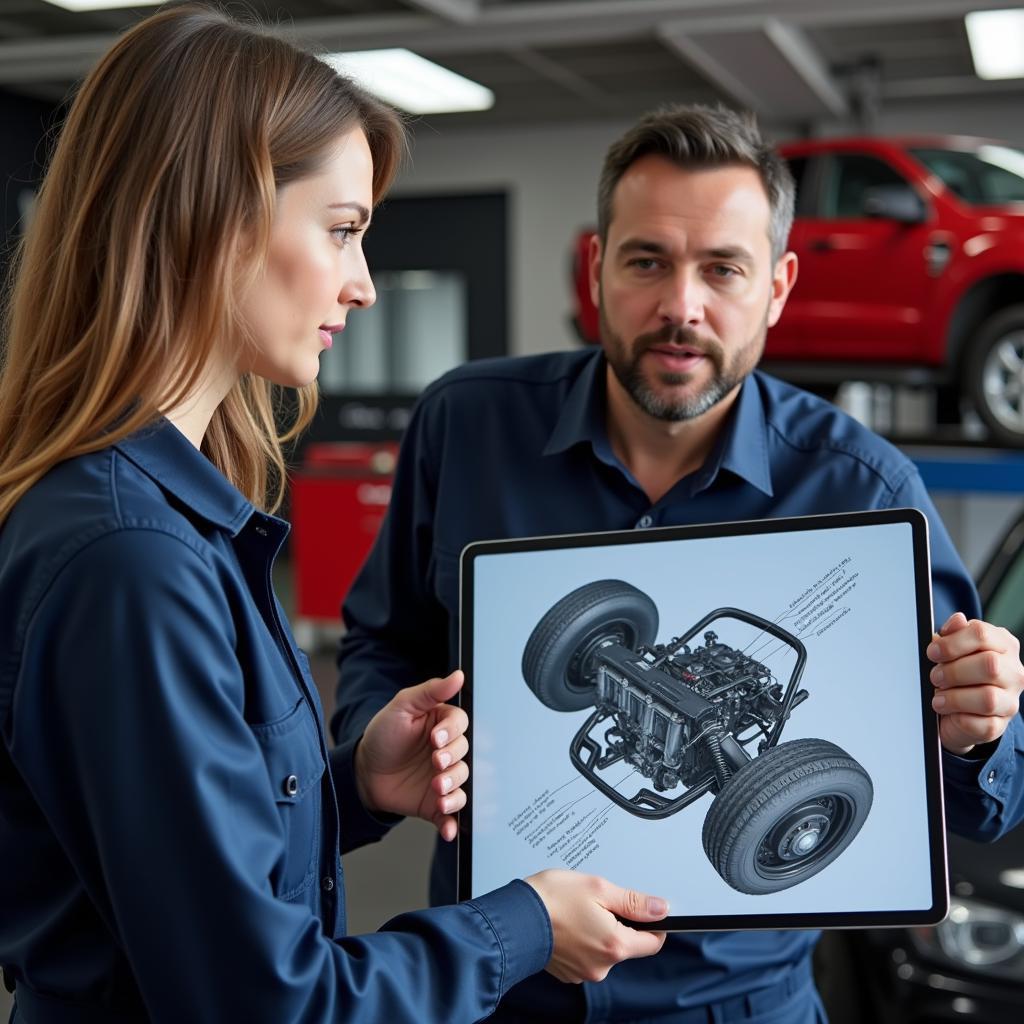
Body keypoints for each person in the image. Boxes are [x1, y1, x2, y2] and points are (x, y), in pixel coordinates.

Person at [0, 6, 672, 1022]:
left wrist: (352, 781)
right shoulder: (130, 557)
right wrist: (524, 922)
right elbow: (267, 1000)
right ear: (209, 213)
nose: (361, 285)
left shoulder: (165, 521)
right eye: (342, 230)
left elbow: (180, 856)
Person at [333, 104, 1024, 1023]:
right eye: (647, 260)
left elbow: (981, 805)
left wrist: (979, 722)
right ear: (597, 269)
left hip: (730, 1002)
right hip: (499, 986)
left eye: (722, 269)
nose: (680, 307)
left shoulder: (861, 487)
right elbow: (384, 643)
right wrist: (396, 742)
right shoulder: (468, 424)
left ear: (777, 287)